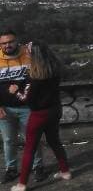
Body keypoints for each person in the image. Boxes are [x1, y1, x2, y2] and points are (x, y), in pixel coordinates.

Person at [8, 41, 71, 191]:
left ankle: (22, 184)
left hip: (39, 115)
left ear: (34, 55)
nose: (27, 53)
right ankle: (65, 172)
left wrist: (14, 91)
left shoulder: (34, 77)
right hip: (55, 110)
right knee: (55, 141)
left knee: (30, 148)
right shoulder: (54, 71)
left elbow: (25, 98)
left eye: (29, 52)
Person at [0, 31, 43, 183]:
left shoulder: (28, 54)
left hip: (28, 107)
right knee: (8, 140)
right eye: (3, 43)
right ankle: (11, 169)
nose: (7, 45)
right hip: (5, 109)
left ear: (16, 41)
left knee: (32, 139)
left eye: (10, 41)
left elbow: (39, 76)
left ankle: (38, 167)